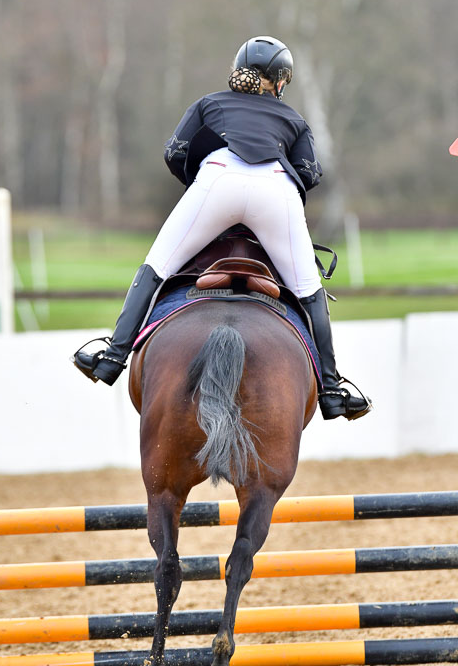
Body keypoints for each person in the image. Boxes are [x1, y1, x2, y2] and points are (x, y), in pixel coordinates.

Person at [73, 35, 372, 421]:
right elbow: (311, 174)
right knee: (310, 290)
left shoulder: (209, 103)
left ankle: (111, 357)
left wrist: (200, 188)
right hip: (275, 189)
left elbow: (174, 152)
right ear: (280, 81)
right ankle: (332, 390)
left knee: (156, 266)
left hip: (217, 180)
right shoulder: (295, 120)